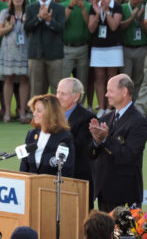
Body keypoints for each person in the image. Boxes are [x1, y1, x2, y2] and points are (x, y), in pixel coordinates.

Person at [89, 74, 147, 212]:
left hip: (125, 193)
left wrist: (106, 139)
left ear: (124, 92)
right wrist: (96, 141)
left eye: (110, 90)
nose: (106, 94)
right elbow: (92, 155)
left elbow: (129, 156)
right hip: (104, 191)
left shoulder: (138, 121)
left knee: (123, 234)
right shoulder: (106, 117)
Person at [57, 77, 95, 210]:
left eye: (63, 94)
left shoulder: (87, 118)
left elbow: (80, 147)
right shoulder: (52, 115)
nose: (58, 97)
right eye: (58, 92)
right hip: (55, 178)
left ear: (76, 97)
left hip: (77, 179)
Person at [88, 0, 123, 118]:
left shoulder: (117, 7)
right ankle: (101, 108)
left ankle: (110, 108)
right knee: (99, 78)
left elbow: (114, 26)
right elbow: (91, 28)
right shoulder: (94, 7)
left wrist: (107, 10)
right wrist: (97, 14)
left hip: (113, 48)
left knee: (112, 79)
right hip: (98, 48)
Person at [24, 0, 66, 97]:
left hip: (54, 54)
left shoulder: (59, 8)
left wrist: (48, 20)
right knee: (35, 88)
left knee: (56, 87)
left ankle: (56, 113)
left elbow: (61, 28)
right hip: (36, 54)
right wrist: (38, 18)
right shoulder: (31, 8)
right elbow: (27, 27)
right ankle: (36, 113)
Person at [19, 93, 74, 177]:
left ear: (50, 114)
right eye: (34, 110)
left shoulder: (64, 137)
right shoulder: (32, 134)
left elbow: (67, 170)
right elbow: (24, 164)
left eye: (39, 111)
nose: (34, 114)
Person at [0, 0, 30, 123]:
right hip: (9, 50)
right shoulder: (5, 13)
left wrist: (25, 22)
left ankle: (22, 110)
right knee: (8, 79)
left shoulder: (28, 12)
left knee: (24, 79)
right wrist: (10, 26)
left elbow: (30, 32)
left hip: (24, 50)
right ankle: (8, 112)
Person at [61, 0, 90, 97]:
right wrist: (71, 6)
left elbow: (90, 25)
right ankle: (63, 106)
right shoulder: (64, 5)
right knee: (64, 80)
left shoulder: (87, 5)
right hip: (67, 48)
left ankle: (80, 106)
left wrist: (83, 9)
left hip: (83, 48)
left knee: (82, 81)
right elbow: (62, 22)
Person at [120, 0, 147, 100]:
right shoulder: (123, 8)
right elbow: (119, 27)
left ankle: (136, 103)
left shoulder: (146, 8)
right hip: (127, 48)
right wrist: (131, 18)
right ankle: (125, 103)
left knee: (139, 78)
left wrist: (141, 20)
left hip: (142, 48)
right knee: (126, 79)